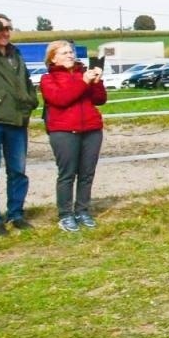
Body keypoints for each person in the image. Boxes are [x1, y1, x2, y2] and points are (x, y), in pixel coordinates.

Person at [39, 41, 108, 231]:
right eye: (64, 52)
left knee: (87, 173)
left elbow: (100, 99)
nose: (70, 55)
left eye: (71, 52)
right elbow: (61, 99)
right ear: (53, 58)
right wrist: (84, 81)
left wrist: (97, 81)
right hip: (64, 131)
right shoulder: (47, 79)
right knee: (67, 174)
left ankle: (83, 210)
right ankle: (65, 214)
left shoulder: (82, 73)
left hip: (91, 130)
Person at [0, 14, 38, 236]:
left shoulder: (15, 53)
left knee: (18, 171)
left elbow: (25, 81)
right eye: (0, 28)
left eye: (9, 28)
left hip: (17, 119)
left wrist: (31, 100)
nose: (6, 32)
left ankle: (16, 214)